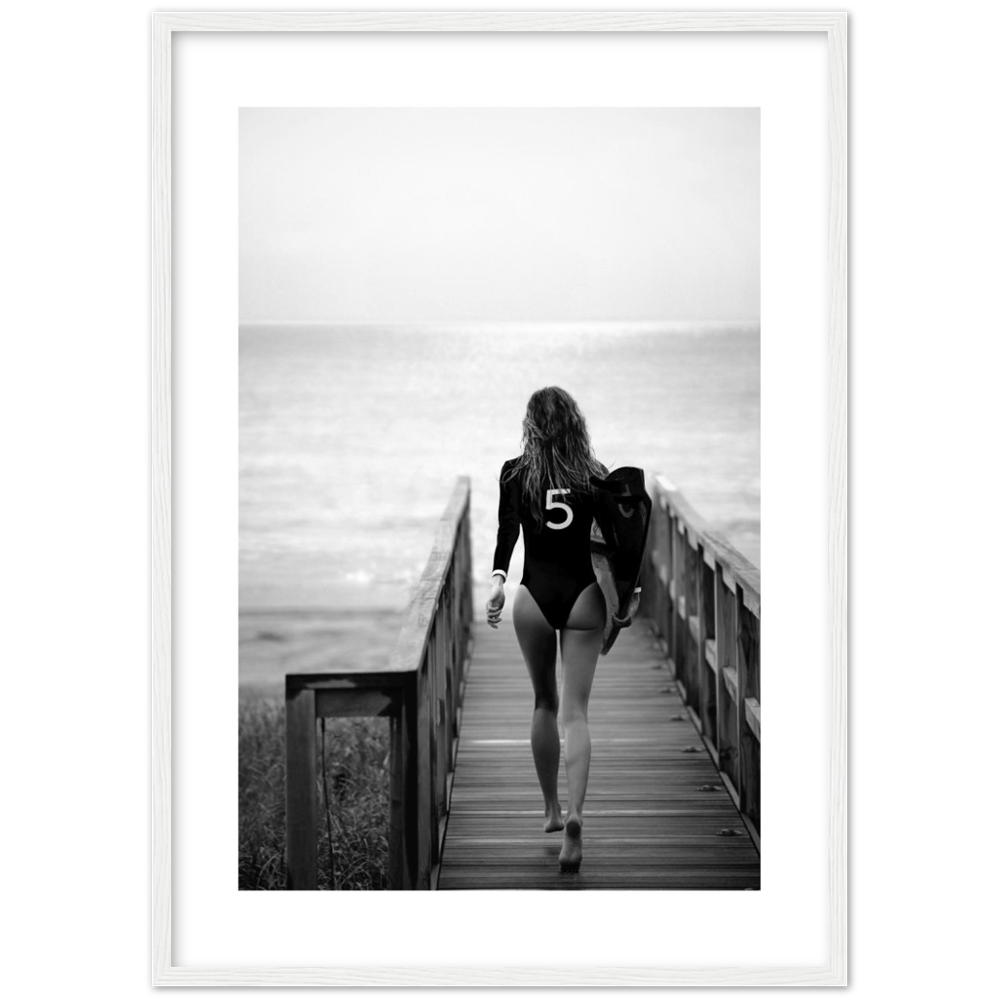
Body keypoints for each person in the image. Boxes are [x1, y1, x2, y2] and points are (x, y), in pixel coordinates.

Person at [486, 386, 609, 873]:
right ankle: (578, 815)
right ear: (575, 422)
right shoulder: (596, 477)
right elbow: (612, 549)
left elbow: (506, 532)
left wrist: (497, 582)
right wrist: (621, 606)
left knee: (543, 702)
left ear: (531, 425)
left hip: (533, 597)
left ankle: (552, 811)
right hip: (584, 596)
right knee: (576, 714)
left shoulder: (515, 473)